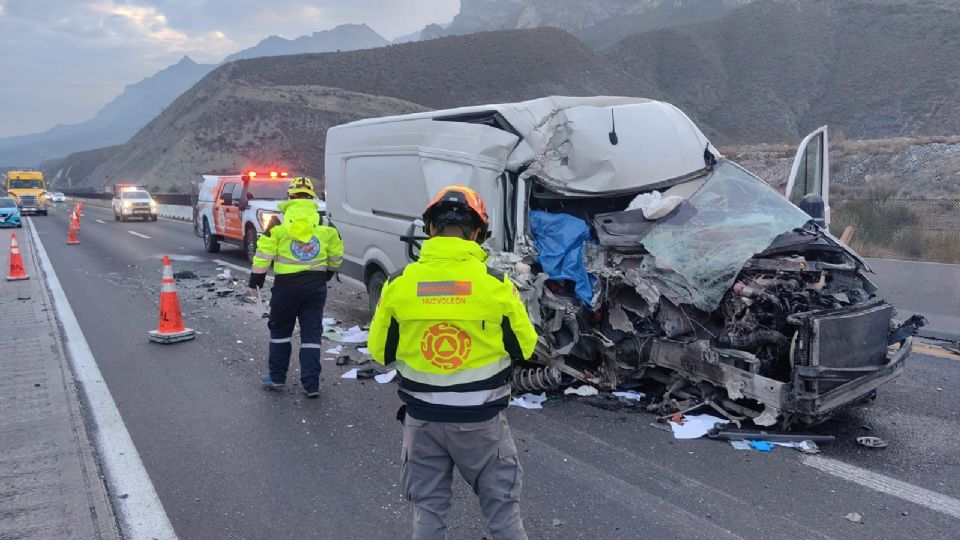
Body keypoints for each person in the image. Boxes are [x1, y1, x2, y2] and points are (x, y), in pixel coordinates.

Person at [369, 185, 537, 540]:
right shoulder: (496, 285)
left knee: (428, 512)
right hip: (481, 423)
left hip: (422, 422)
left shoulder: (398, 284)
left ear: (430, 229)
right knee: (503, 515)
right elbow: (524, 348)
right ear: (477, 233)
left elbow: (381, 352)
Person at [249, 177, 343, 399]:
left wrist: (256, 279)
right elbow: (336, 255)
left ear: (290, 196)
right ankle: (311, 385)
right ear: (312, 197)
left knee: (280, 332)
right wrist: (327, 273)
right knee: (311, 335)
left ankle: (277, 378)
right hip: (315, 286)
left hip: (286, 288)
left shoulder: (278, 222)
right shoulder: (325, 223)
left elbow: (264, 252)